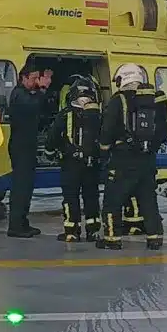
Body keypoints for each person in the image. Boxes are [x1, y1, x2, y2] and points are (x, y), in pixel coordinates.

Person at [98, 63, 167, 250]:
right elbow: (164, 132)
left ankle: (112, 239)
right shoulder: (154, 100)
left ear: (123, 79)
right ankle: (155, 238)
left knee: (113, 201)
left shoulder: (117, 101)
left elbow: (107, 131)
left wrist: (104, 152)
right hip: (147, 160)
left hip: (123, 160)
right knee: (148, 201)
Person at [4, 59, 54, 238]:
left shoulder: (29, 94)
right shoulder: (18, 94)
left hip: (28, 146)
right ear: (22, 78)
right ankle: (15, 226)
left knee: (27, 187)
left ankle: (22, 222)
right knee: (21, 188)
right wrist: (42, 89)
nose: (35, 82)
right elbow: (33, 105)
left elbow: (43, 107)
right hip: (21, 147)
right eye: (33, 78)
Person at [55, 74, 103, 242]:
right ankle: (93, 231)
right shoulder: (97, 115)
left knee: (70, 197)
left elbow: (52, 138)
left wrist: (51, 153)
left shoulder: (64, 115)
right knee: (91, 197)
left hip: (70, 164)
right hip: (91, 164)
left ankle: (72, 232)